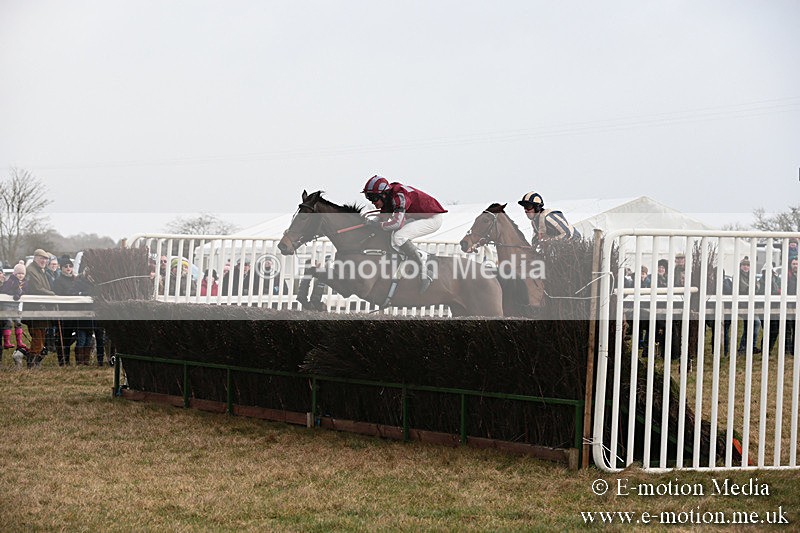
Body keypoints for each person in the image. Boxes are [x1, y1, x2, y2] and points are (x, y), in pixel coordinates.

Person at [362, 175, 447, 293]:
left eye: (374, 198)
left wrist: (376, 225)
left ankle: (424, 265)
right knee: (393, 238)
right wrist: (367, 223)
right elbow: (383, 218)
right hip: (418, 216)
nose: (373, 202)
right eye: (370, 198)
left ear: (383, 194)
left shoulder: (399, 197)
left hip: (432, 219)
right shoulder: (388, 197)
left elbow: (396, 224)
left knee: (399, 236)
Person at [24, 248, 55, 366]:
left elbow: (45, 287)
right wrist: (52, 294)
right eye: (41, 258)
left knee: (41, 339)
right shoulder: (31, 270)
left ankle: (34, 362)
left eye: (46, 259)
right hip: (34, 310)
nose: (44, 261)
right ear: (35, 258)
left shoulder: (41, 271)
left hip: (42, 311)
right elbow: (36, 288)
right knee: (37, 339)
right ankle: (31, 364)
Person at [52, 255, 79, 365]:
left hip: (76, 312)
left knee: (77, 335)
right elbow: (59, 295)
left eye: (70, 266)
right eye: (66, 266)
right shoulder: (58, 281)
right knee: (64, 337)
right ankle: (63, 360)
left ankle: (74, 358)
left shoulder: (75, 279)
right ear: (61, 268)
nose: (68, 268)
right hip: (64, 312)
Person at [1, 263, 29, 356]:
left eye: (22, 274)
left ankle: (19, 342)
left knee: (18, 322)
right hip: (7, 305)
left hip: (16, 306)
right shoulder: (11, 281)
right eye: (19, 273)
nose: (20, 275)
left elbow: (25, 291)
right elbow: (5, 290)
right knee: (8, 322)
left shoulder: (25, 283)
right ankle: (6, 342)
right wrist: (14, 293)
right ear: (15, 274)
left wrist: (20, 294)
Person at [736, 256, 761, 354]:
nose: (746, 267)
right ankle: (748, 346)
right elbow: (743, 288)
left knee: (749, 325)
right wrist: (753, 287)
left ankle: (745, 347)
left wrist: (754, 287)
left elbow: (757, 286)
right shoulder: (738, 275)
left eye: (747, 265)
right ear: (740, 266)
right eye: (744, 265)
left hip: (752, 304)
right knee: (756, 323)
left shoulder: (752, 276)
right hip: (743, 304)